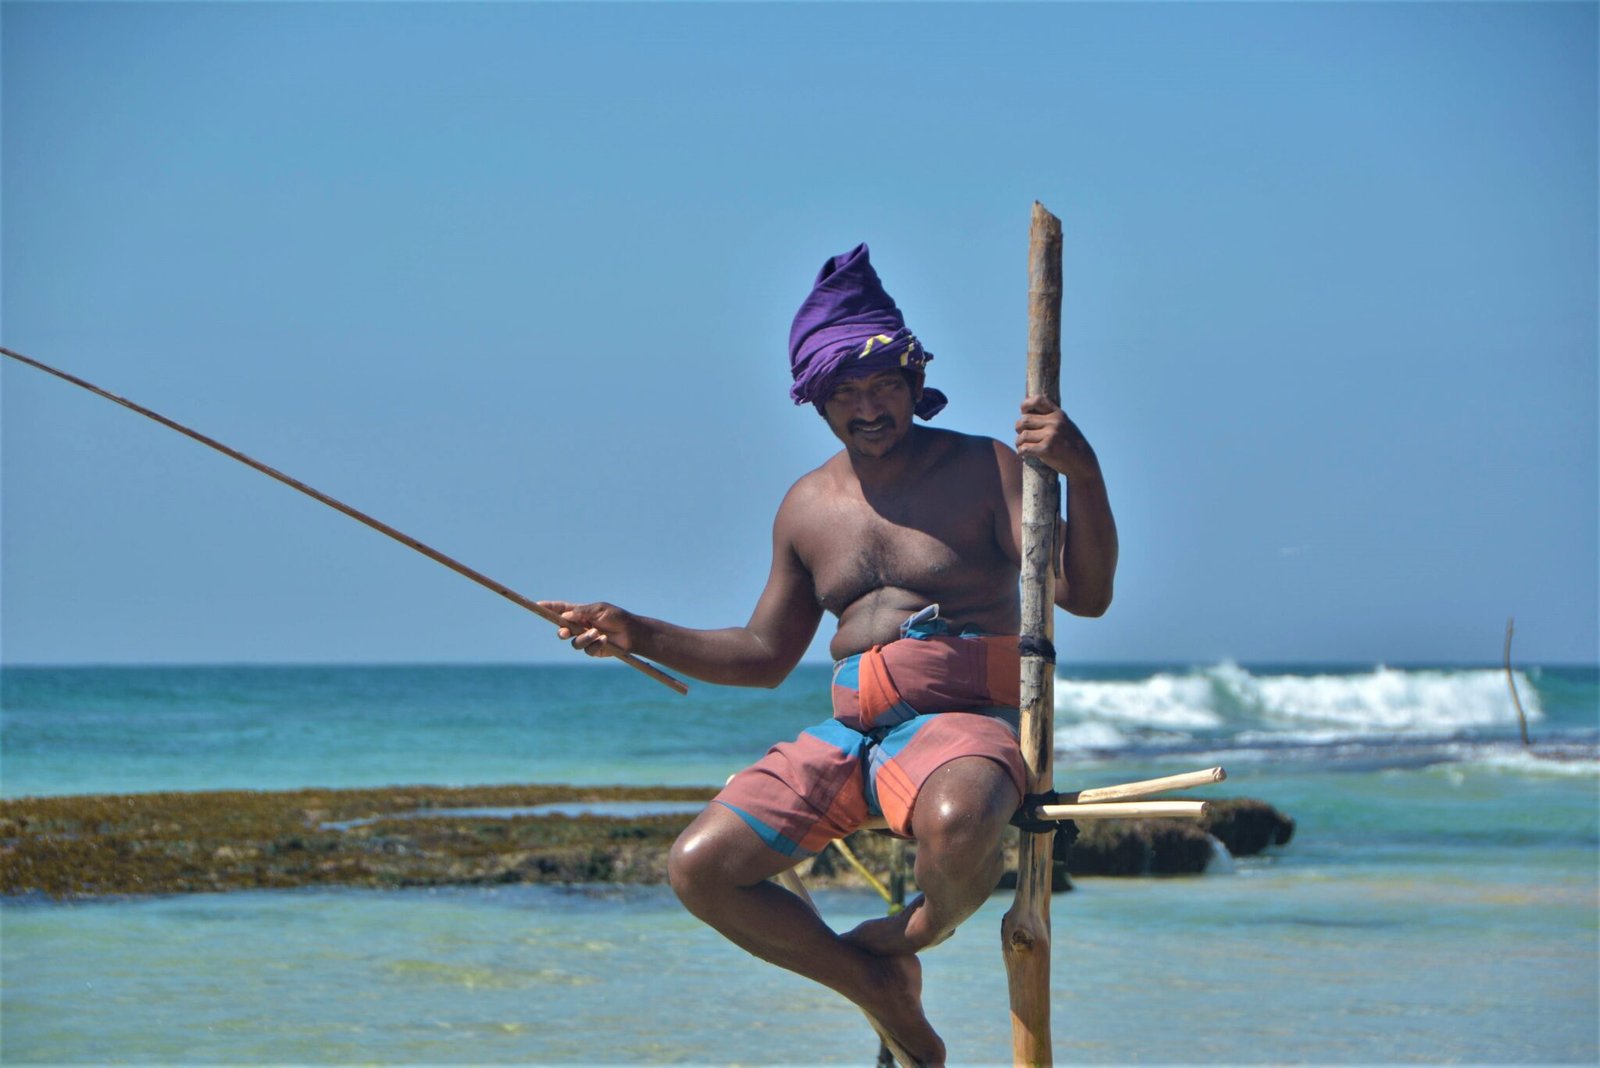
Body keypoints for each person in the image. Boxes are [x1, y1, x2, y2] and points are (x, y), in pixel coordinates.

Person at [541, 243, 1117, 1066]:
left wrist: (1083, 474)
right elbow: (763, 654)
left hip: (959, 726)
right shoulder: (806, 506)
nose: (868, 406)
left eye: (884, 384)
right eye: (844, 390)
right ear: (815, 399)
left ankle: (903, 937)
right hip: (850, 737)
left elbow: (1084, 594)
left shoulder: (984, 467)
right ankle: (875, 983)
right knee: (701, 868)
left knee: (959, 822)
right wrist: (638, 632)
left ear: (915, 382)